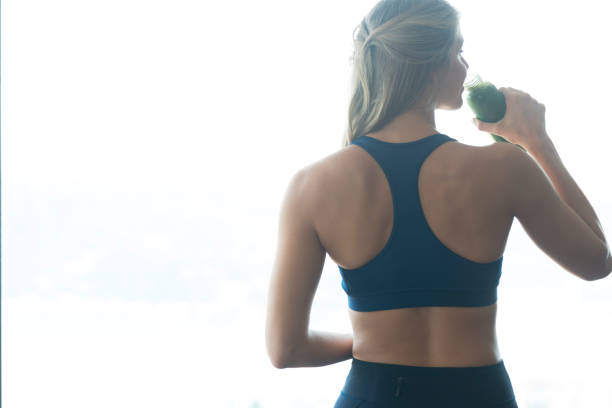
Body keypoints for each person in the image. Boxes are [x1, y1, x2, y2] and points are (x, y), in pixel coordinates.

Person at [265, 0, 612, 406]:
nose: (466, 67)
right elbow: (597, 261)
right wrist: (537, 141)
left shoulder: (311, 185)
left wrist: (369, 341)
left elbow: (284, 349)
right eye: (458, 51)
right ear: (430, 61)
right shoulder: (504, 166)